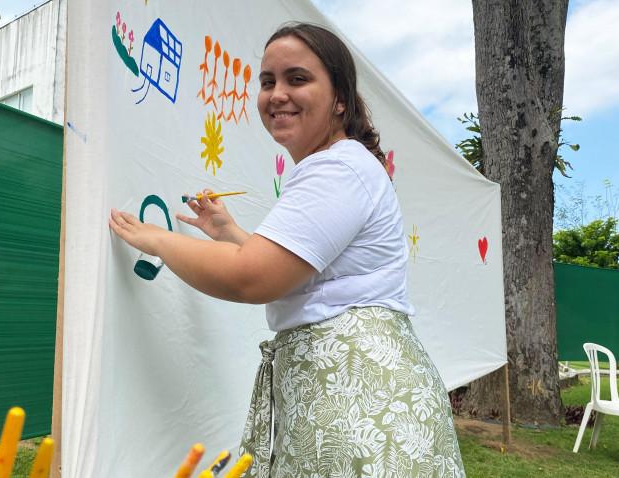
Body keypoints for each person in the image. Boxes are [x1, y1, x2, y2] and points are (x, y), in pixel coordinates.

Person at [110, 22, 465, 478]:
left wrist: (156, 239)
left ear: (340, 99)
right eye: (267, 81)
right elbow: (305, 276)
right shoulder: (341, 167)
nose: (277, 94)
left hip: (362, 410)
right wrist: (230, 234)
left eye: (297, 79)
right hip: (357, 402)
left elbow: (251, 277)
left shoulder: (338, 170)